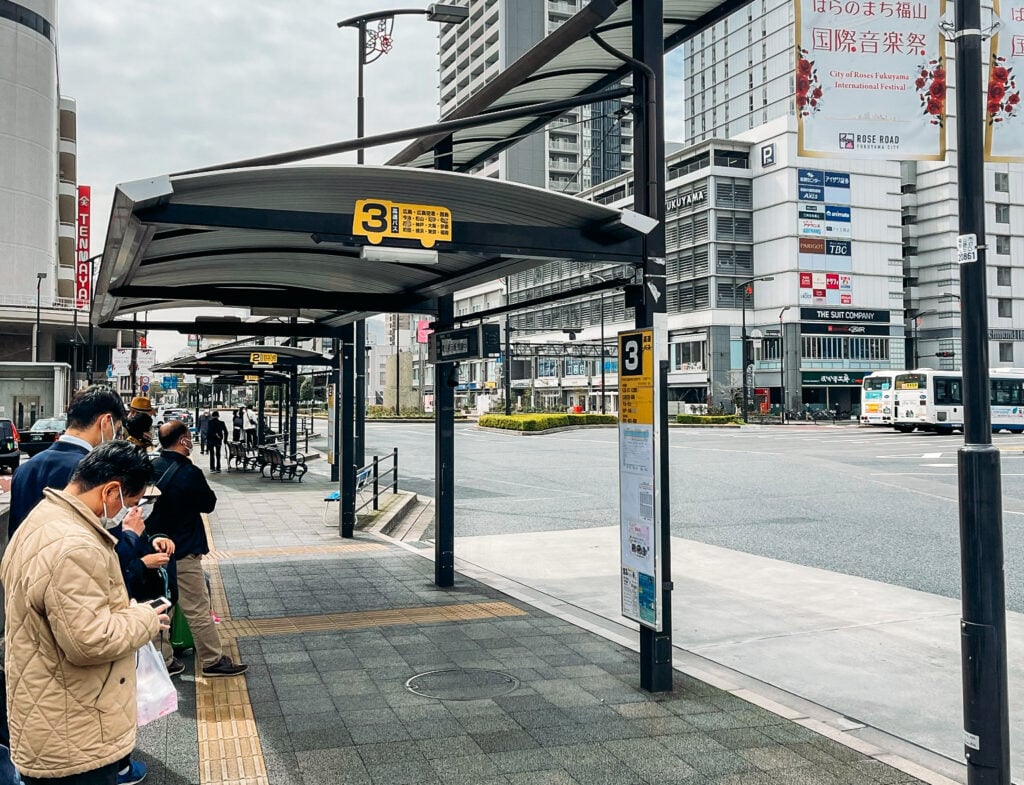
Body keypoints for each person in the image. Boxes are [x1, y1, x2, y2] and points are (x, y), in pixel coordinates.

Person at [1, 442, 169, 785]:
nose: (127, 513)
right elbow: (90, 640)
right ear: (110, 490)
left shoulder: (43, 518)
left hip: (48, 710)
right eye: (131, 503)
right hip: (73, 731)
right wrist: (146, 618)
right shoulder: (76, 546)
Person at [148, 421, 246, 677]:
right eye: (189, 437)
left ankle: (165, 660)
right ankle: (212, 660)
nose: (191, 440)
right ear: (183, 440)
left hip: (153, 551)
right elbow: (209, 503)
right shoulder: (188, 472)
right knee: (197, 608)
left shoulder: (150, 467)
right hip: (183, 550)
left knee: (161, 606)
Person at [8, 386, 126, 538]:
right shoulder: (98, 471)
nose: (113, 436)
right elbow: (110, 540)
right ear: (105, 421)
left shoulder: (24, 469)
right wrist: (132, 534)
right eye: (116, 429)